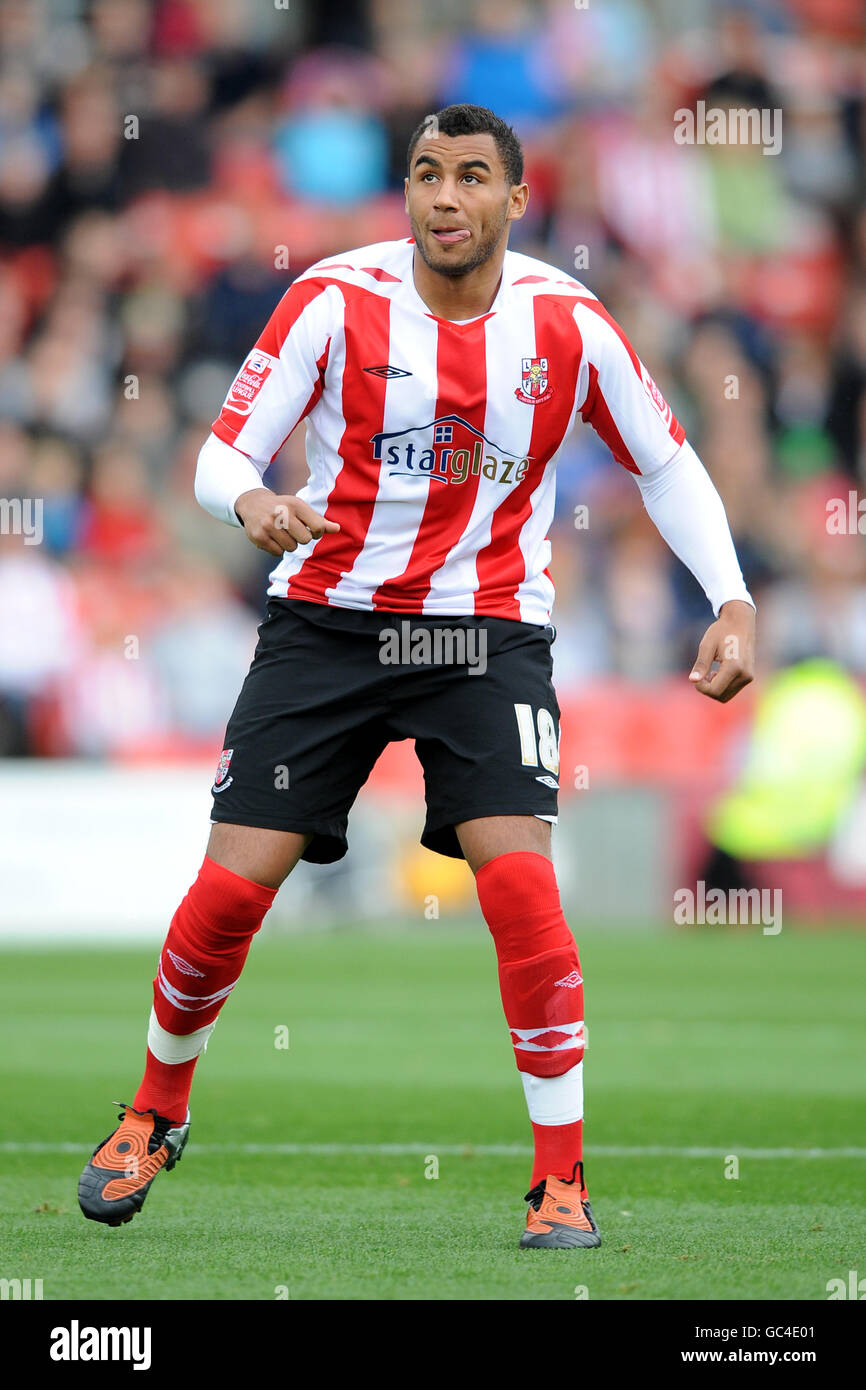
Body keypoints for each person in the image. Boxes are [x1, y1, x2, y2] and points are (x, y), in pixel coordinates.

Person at [78, 104, 755, 1250]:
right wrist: (247, 499)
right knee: (230, 896)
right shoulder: (334, 300)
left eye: (471, 177)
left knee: (521, 891)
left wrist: (732, 597)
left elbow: (667, 461)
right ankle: (156, 1105)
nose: (444, 197)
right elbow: (222, 451)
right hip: (328, 626)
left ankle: (559, 1180)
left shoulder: (568, 322)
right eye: (426, 175)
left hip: (481, 637)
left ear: (513, 199)